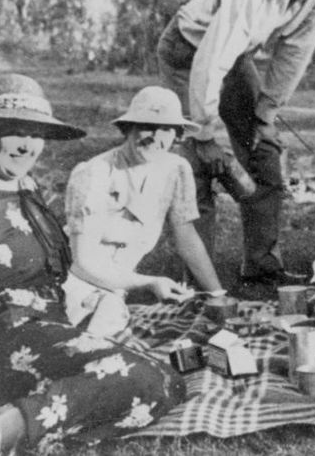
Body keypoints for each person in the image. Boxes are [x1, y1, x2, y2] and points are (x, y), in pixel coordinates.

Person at [0, 75, 186, 456]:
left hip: (40, 330)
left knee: (164, 379)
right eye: (15, 132)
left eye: (36, 134)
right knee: (150, 380)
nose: (27, 145)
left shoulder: (20, 184)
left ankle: (1, 414)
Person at [156, 0, 315, 283]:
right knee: (197, 165)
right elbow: (209, 63)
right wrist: (204, 133)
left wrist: (266, 112)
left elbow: (296, 51)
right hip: (186, 51)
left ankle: (262, 266)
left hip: (235, 56)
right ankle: (198, 281)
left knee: (264, 149)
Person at [63, 86, 224, 337]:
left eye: (166, 129)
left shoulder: (175, 169)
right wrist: (148, 282)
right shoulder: (94, 173)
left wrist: (217, 295)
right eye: (147, 126)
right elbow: (83, 263)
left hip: (119, 290)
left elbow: (187, 238)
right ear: (128, 129)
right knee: (100, 345)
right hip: (78, 286)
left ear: (177, 135)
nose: (156, 137)